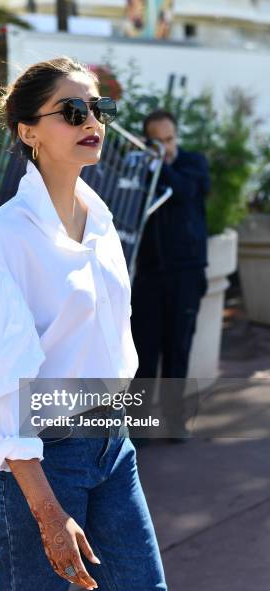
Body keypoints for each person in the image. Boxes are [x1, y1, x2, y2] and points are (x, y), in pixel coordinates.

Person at [0, 58, 170, 591]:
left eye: (99, 108)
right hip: (36, 463)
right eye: (72, 110)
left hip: (112, 447)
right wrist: (46, 507)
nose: (91, 120)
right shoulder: (3, 242)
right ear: (28, 132)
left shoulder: (102, 218)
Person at [130, 109, 210, 438]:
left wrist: (158, 164)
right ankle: (139, 426)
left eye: (170, 139)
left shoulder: (193, 163)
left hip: (187, 273)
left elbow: (185, 191)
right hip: (149, 274)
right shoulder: (140, 170)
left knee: (178, 350)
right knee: (144, 351)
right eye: (159, 142)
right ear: (148, 142)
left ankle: (176, 423)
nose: (167, 147)